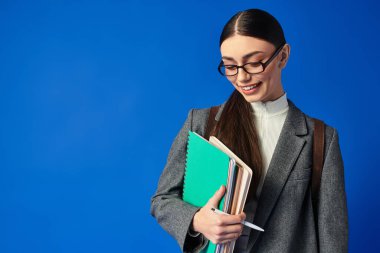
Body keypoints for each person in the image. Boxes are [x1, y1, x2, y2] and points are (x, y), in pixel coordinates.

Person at [150, 8, 348, 253]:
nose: (242, 77)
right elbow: (162, 200)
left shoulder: (322, 139)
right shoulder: (200, 122)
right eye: (230, 66)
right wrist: (199, 220)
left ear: (283, 56)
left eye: (254, 63)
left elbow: (333, 238)